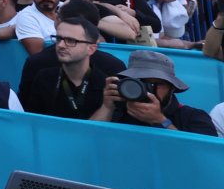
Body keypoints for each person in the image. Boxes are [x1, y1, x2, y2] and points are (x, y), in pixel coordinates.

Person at [88, 50, 217, 135]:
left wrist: (160, 120)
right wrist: (107, 107)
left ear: (172, 87)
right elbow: (88, 141)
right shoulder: (117, 111)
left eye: (156, 84)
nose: (147, 89)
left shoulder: (194, 117)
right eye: (141, 82)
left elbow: (202, 156)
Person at [18, 17, 118, 119]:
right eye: (58, 39)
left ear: (91, 49)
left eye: (71, 41)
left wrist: (106, 107)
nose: (61, 45)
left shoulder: (105, 85)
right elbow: (33, 122)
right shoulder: (44, 78)